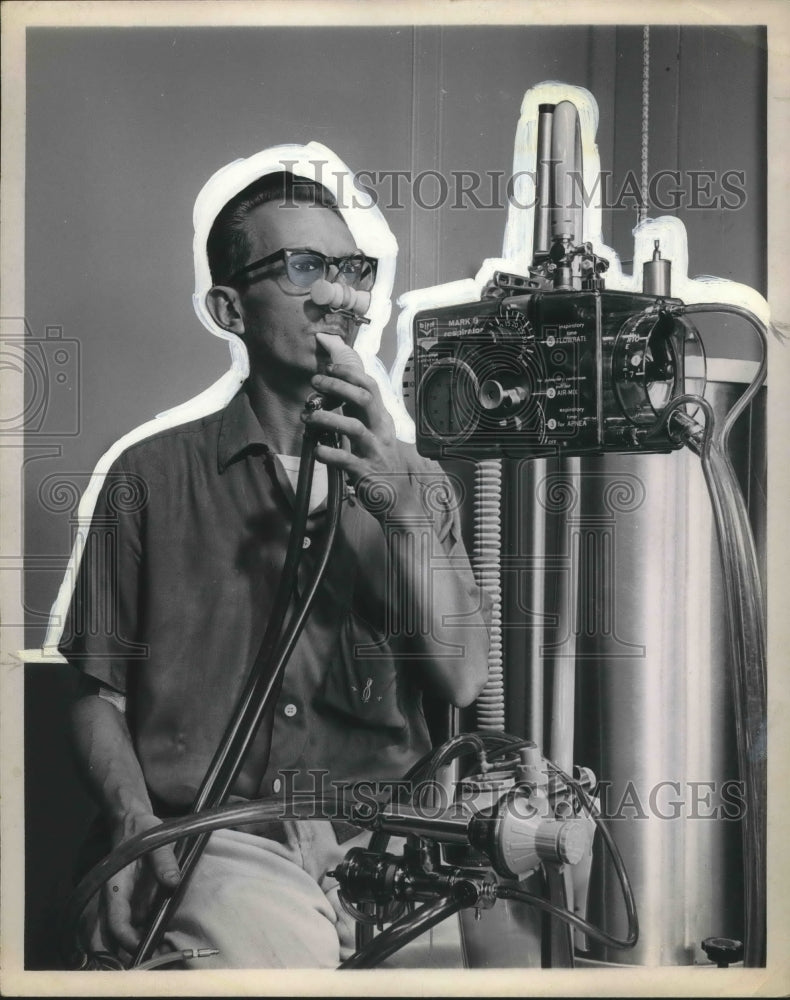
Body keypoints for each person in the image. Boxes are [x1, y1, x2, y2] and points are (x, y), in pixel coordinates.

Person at [58, 149, 491, 969]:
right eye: (303, 267)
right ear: (230, 307)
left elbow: (463, 679)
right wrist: (131, 824)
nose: (339, 295)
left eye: (351, 270)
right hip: (221, 841)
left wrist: (398, 508)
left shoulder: (420, 483)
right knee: (276, 963)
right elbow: (97, 696)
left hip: (385, 849)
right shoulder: (149, 478)